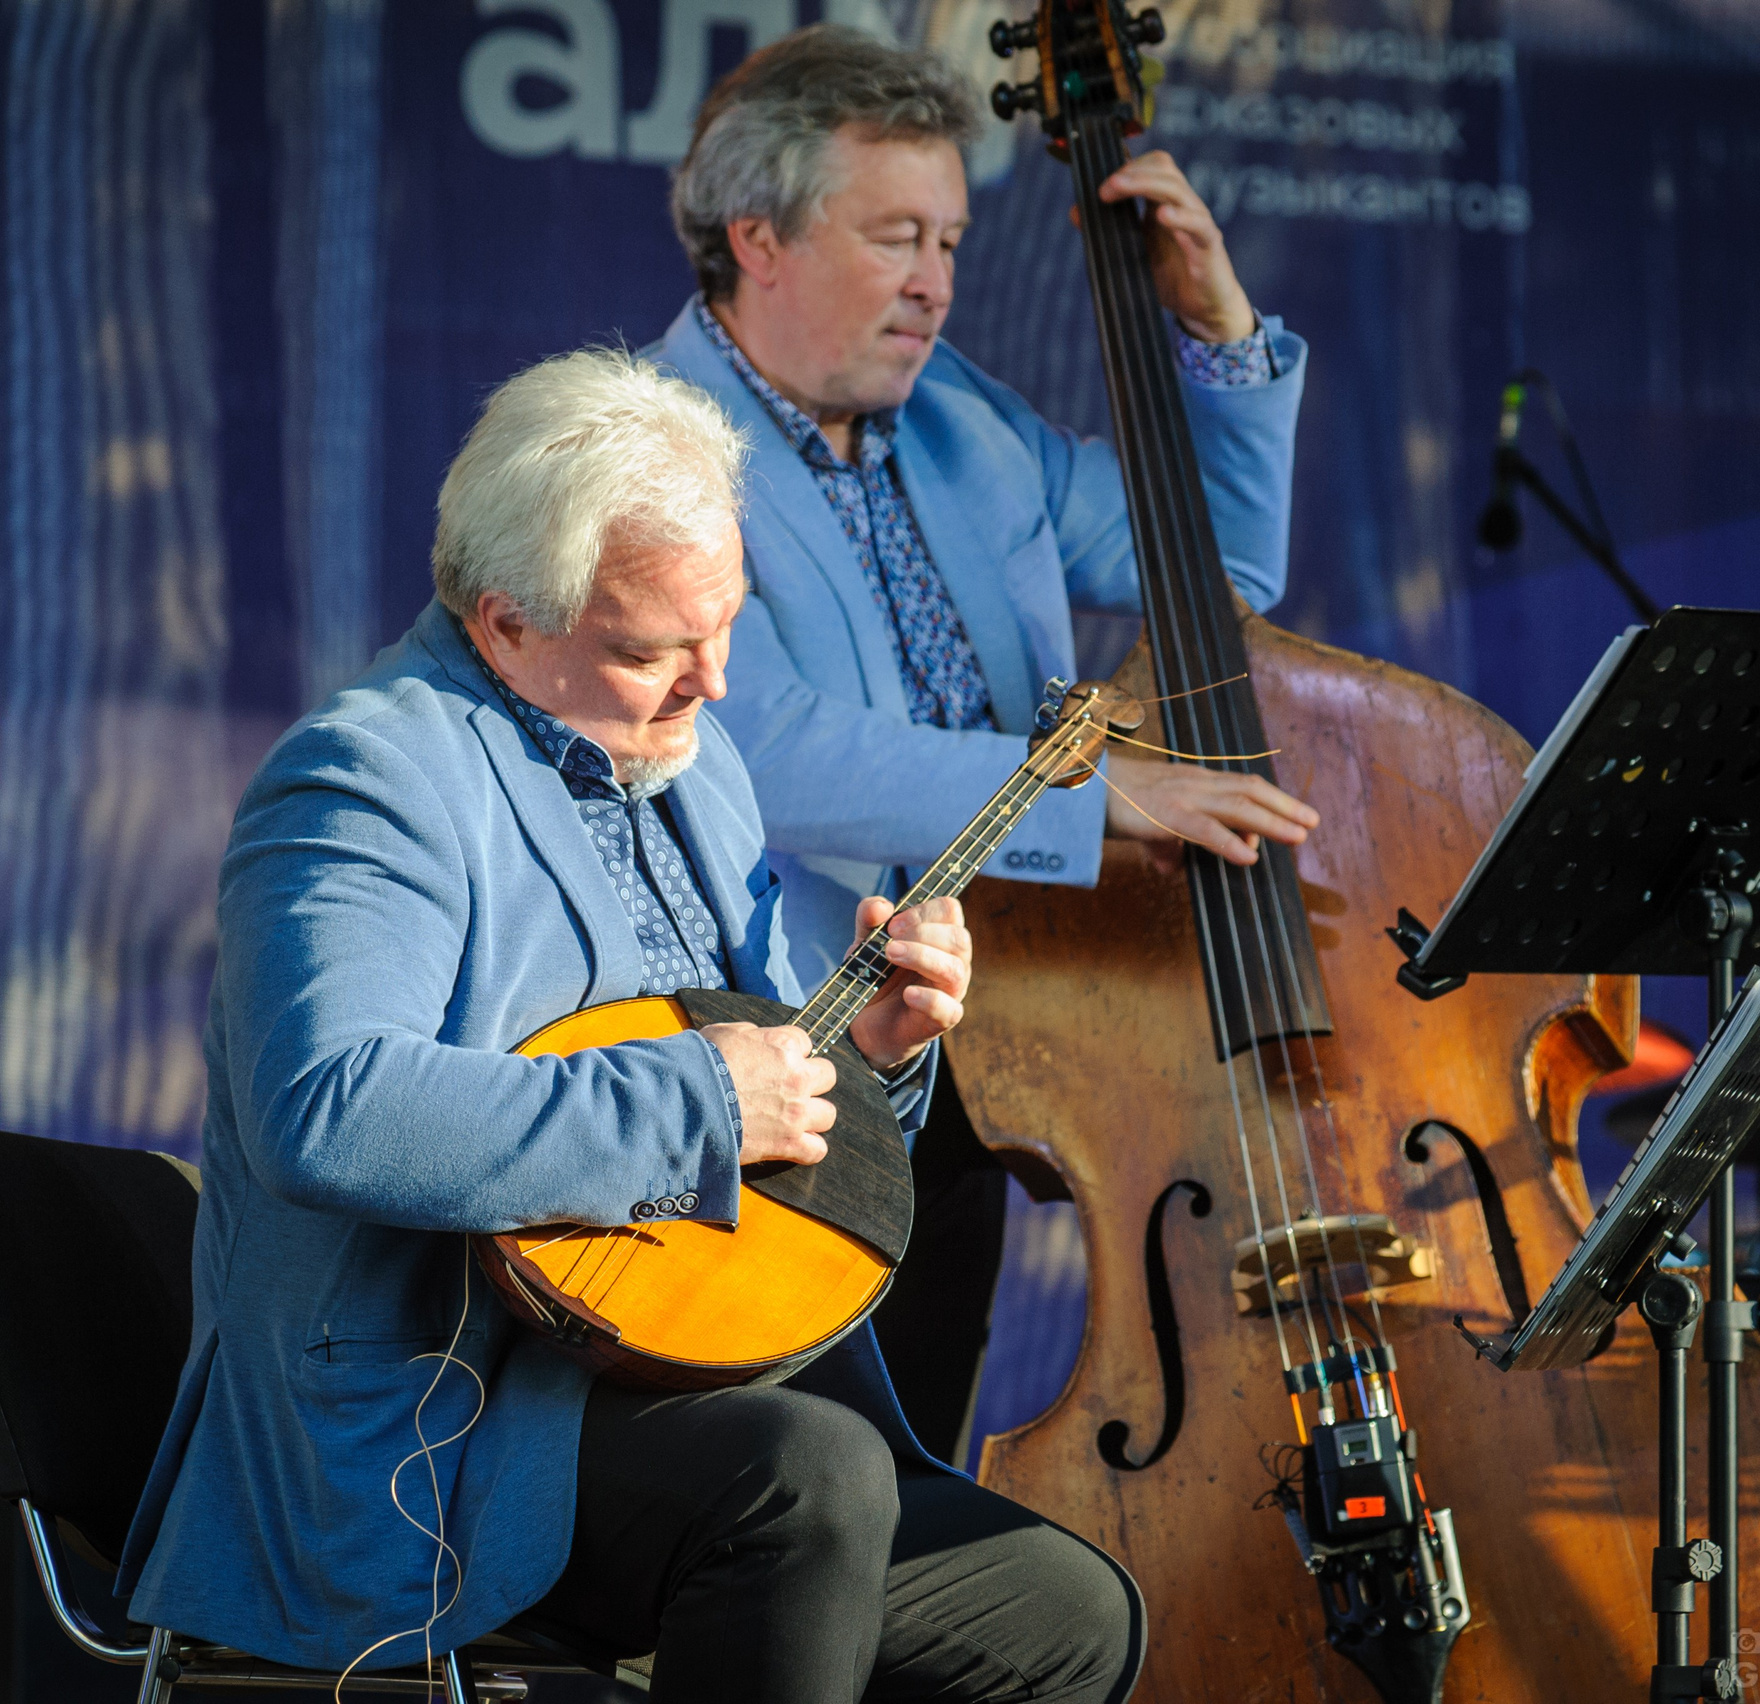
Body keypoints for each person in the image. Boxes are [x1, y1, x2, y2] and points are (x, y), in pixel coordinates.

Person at [114, 349, 1141, 1703]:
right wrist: (704, 1106)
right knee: (805, 1486)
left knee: (1066, 1610)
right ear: (503, 625)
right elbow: (330, 1105)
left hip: (679, 1365)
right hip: (438, 1431)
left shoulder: (695, 763)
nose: (710, 687)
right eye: (650, 650)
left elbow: (776, 1089)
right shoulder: (368, 777)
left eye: (727, 627)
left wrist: (873, 1054)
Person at [640, 26, 1320, 1456]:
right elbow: (758, 746)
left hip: (985, 1044)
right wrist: (1093, 786)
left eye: (947, 238)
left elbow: (1219, 575)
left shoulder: (961, 419)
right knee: (792, 1499)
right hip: (785, 1058)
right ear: (757, 238)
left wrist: (1215, 332)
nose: (934, 282)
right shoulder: (653, 446)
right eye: (894, 236)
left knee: (911, 1490)